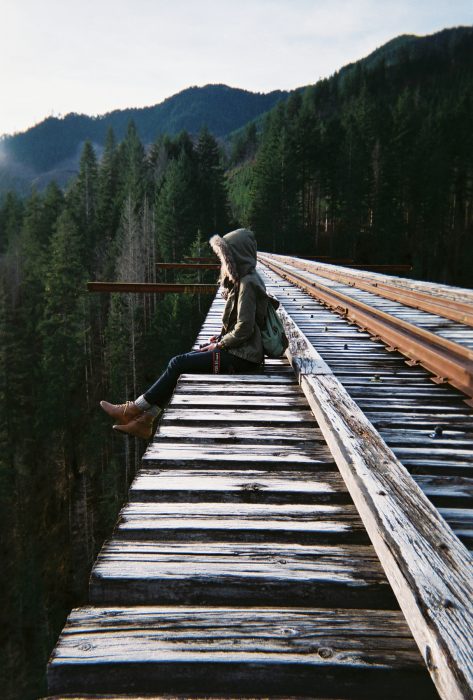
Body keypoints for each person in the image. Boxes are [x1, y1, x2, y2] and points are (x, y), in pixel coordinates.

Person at [100, 227, 268, 439]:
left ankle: (135, 410)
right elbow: (240, 325)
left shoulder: (247, 285)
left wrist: (220, 345)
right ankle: (145, 420)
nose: (222, 263)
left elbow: (244, 329)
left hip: (243, 358)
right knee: (184, 361)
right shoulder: (246, 281)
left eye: (226, 257)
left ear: (237, 257)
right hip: (241, 353)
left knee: (178, 363)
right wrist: (219, 339)